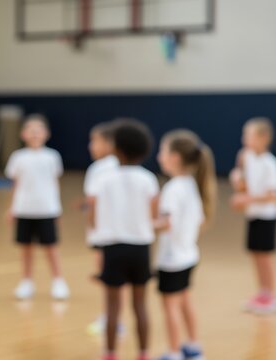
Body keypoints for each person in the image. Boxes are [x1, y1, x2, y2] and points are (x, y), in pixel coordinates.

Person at [87, 119, 158, 360]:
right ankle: (144, 353)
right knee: (140, 306)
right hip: (141, 248)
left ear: (115, 148)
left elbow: (93, 214)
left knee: (112, 307)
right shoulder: (149, 179)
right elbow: (154, 216)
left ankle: (110, 353)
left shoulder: (103, 179)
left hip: (113, 247)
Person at [155, 130, 217, 360]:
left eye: (163, 151)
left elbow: (166, 223)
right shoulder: (192, 184)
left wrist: (142, 224)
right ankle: (193, 346)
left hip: (172, 259)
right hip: (189, 254)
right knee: (185, 300)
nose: (159, 156)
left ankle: (173, 352)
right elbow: (198, 220)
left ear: (175, 158)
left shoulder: (172, 188)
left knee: (170, 306)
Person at [5, 114, 70, 301]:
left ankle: (58, 281)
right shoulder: (18, 157)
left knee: (51, 248)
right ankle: (26, 282)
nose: (34, 133)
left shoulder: (52, 156)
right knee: (26, 248)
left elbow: (54, 184)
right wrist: (12, 208)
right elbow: (15, 185)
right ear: (23, 134)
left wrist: (57, 209)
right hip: (24, 210)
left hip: (47, 210)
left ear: (46, 134)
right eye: (30, 130)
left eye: (38, 130)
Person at [230, 118, 276, 314]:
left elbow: (274, 197)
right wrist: (238, 179)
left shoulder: (271, 164)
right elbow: (242, 184)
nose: (244, 140)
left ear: (264, 138)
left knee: (266, 256)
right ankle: (262, 292)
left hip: (266, 216)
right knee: (255, 254)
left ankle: (270, 296)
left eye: (249, 135)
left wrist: (247, 199)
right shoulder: (246, 157)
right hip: (253, 215)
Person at [84, 121, 120, 335]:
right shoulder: (120, 165)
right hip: (119, 233)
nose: (91, 146)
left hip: (103, 234)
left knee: (108, 279)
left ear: (108, 143)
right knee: (115, 280)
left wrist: (93, 227)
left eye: (94, 141)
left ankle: (110, 318)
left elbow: (92, 201)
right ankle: (114, 319)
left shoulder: (99, 169)